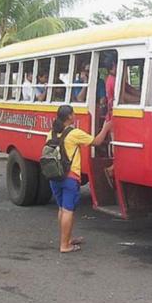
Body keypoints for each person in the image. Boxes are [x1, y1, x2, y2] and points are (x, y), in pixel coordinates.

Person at [48, 105, 112, 253]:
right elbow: (96, 141)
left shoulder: (51, 133)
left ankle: (66, 238)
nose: (75, 115)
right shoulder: (74, 133)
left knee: (62, 209)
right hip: (70, 177)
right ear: (69, 117)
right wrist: (106, 127)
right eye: (73, 113)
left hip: (54, 176)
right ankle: (65, 245)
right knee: (68, 210)